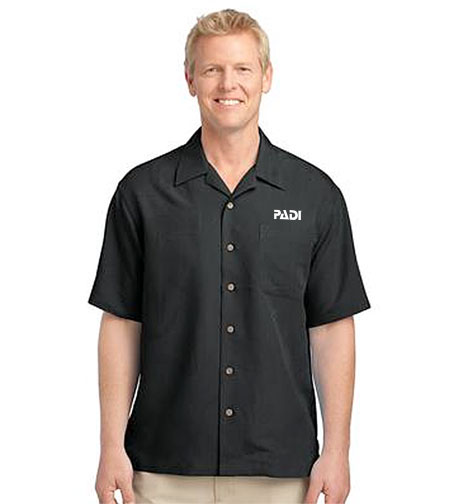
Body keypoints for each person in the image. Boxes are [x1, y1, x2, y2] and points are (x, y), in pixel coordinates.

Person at [88, 8, 371, 504]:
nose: (228, 84)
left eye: (242, 68)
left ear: (266, 76)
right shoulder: (142, 194)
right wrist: (111, 446)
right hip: (161, 469)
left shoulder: (316, 196)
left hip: (283, 474)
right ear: (189, 79)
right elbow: (122, 323)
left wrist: (337, 451)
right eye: (212, 69)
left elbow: (331, 327)